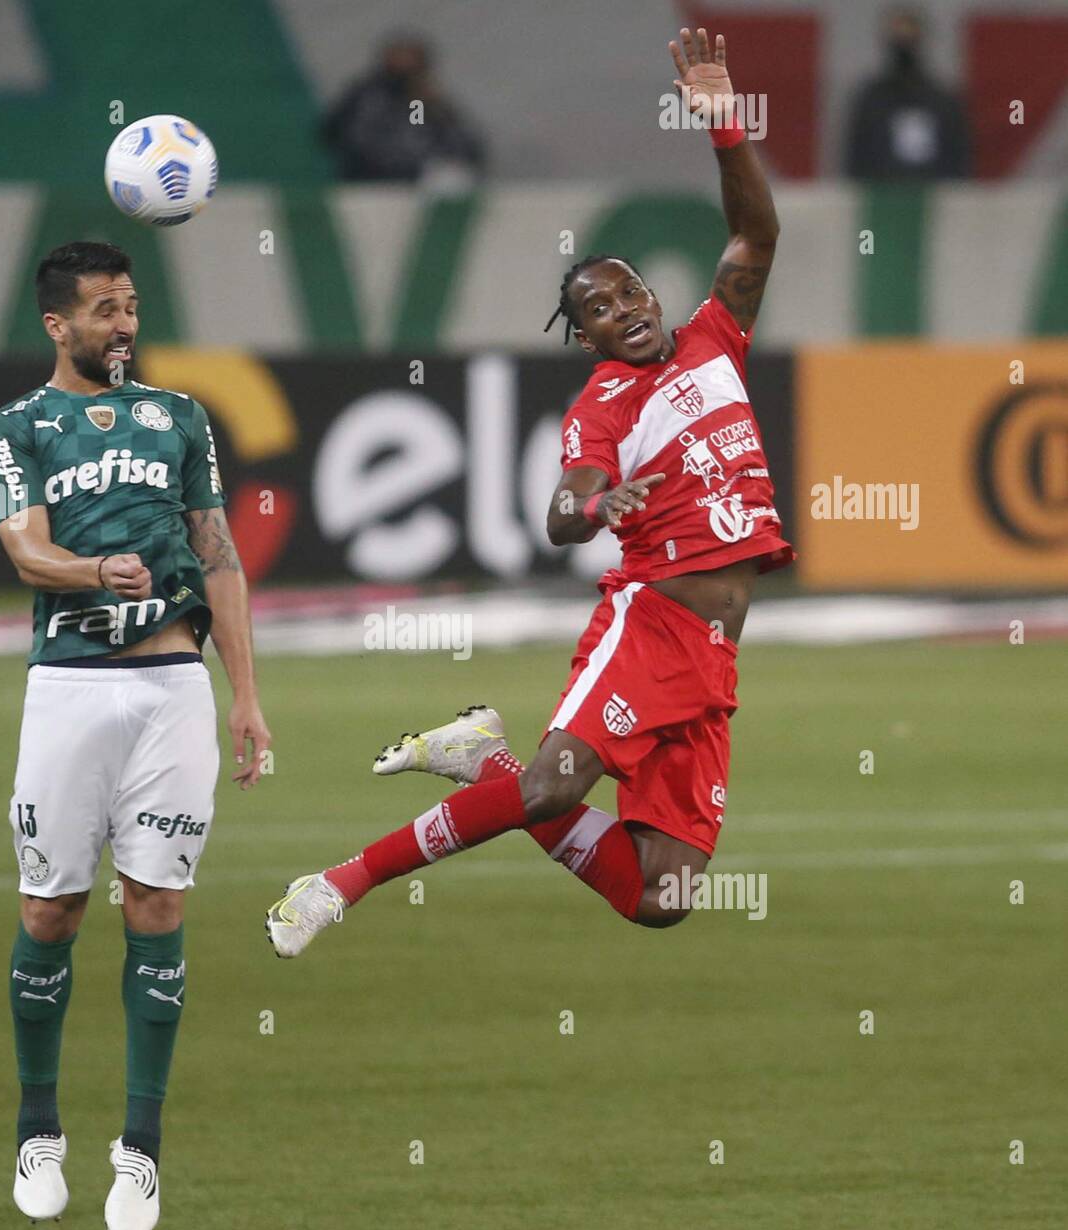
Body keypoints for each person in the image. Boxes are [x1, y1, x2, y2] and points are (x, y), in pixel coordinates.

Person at [265, 29, 791, 956]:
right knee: (554, 787)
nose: (622, 309)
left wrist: (721, 123)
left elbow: (755, 232)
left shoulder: (716, 339)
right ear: (584, 339)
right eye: (598, 308)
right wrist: (599, 506)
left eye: (629, 292)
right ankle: (342, 880)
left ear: (654, 298)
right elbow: (561, 508)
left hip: (711, 653)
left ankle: (481, 757)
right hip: (653, 622)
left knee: (662, 896)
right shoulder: (602, 406)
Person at [0, 241, 271, 1230]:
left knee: (156, 903)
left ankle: (139, 1152)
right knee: (50, 910)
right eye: (104, 309)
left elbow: (217, 551)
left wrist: (246, 696)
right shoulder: (18, 426)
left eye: (131, 306)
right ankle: (37, 1128)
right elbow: (21, 544)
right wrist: (92, 572)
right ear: (57, 325)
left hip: (169, 687)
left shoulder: (181, 417)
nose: (123, 325)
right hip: (64, 689)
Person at [321, 33, 484, 183]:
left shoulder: (417, 101)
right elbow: (359, 142)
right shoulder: (368, 97)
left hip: (417, 177)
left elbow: (420, 133)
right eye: (399, 59)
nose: (405, 66)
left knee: (453, 178)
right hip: (373, 179)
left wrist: (436, 111)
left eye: (412, 62)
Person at [844, 5, 971, 180]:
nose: (904, 44)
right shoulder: (870, 99)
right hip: (881, 197)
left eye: (909, 37)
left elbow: (957, 158)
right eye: (899, 37)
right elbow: (856, 157)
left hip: (933, 195)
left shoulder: (943, 101)